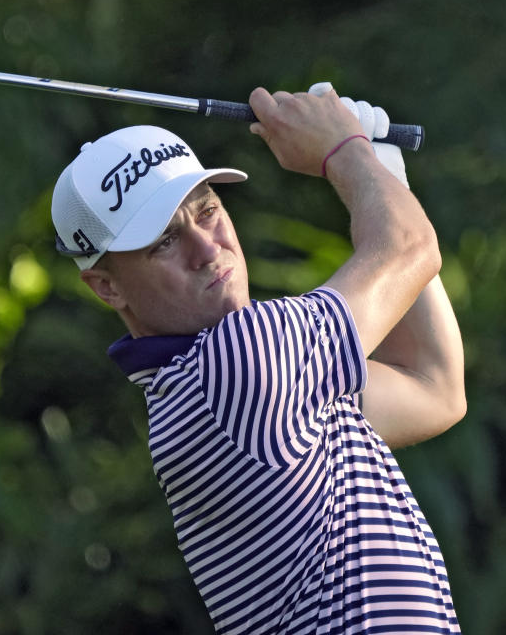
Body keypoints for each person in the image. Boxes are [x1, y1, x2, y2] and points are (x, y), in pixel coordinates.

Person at [50, 83, 466, 634]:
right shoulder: (238, 365)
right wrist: (346, 151)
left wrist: (387, 176)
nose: (207, 248)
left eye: (208, 212)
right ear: (107, 287)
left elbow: (435, 387)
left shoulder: (221, 390)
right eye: (165, 242)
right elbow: (410, 248)